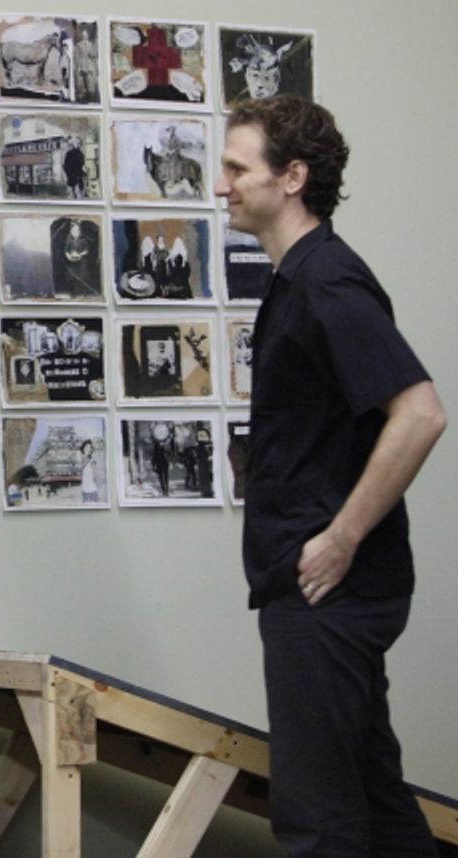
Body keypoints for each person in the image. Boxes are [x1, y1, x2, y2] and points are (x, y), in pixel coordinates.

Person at [216, 94, 446, 856]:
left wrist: (340, 538)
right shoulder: (295, 276)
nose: (221, 184)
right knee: (376, 804)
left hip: (329, 594)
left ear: (293, 178)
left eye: (236, 168)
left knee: (320, 824)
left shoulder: (326, 283)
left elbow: (420, 413)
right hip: (328, 590)